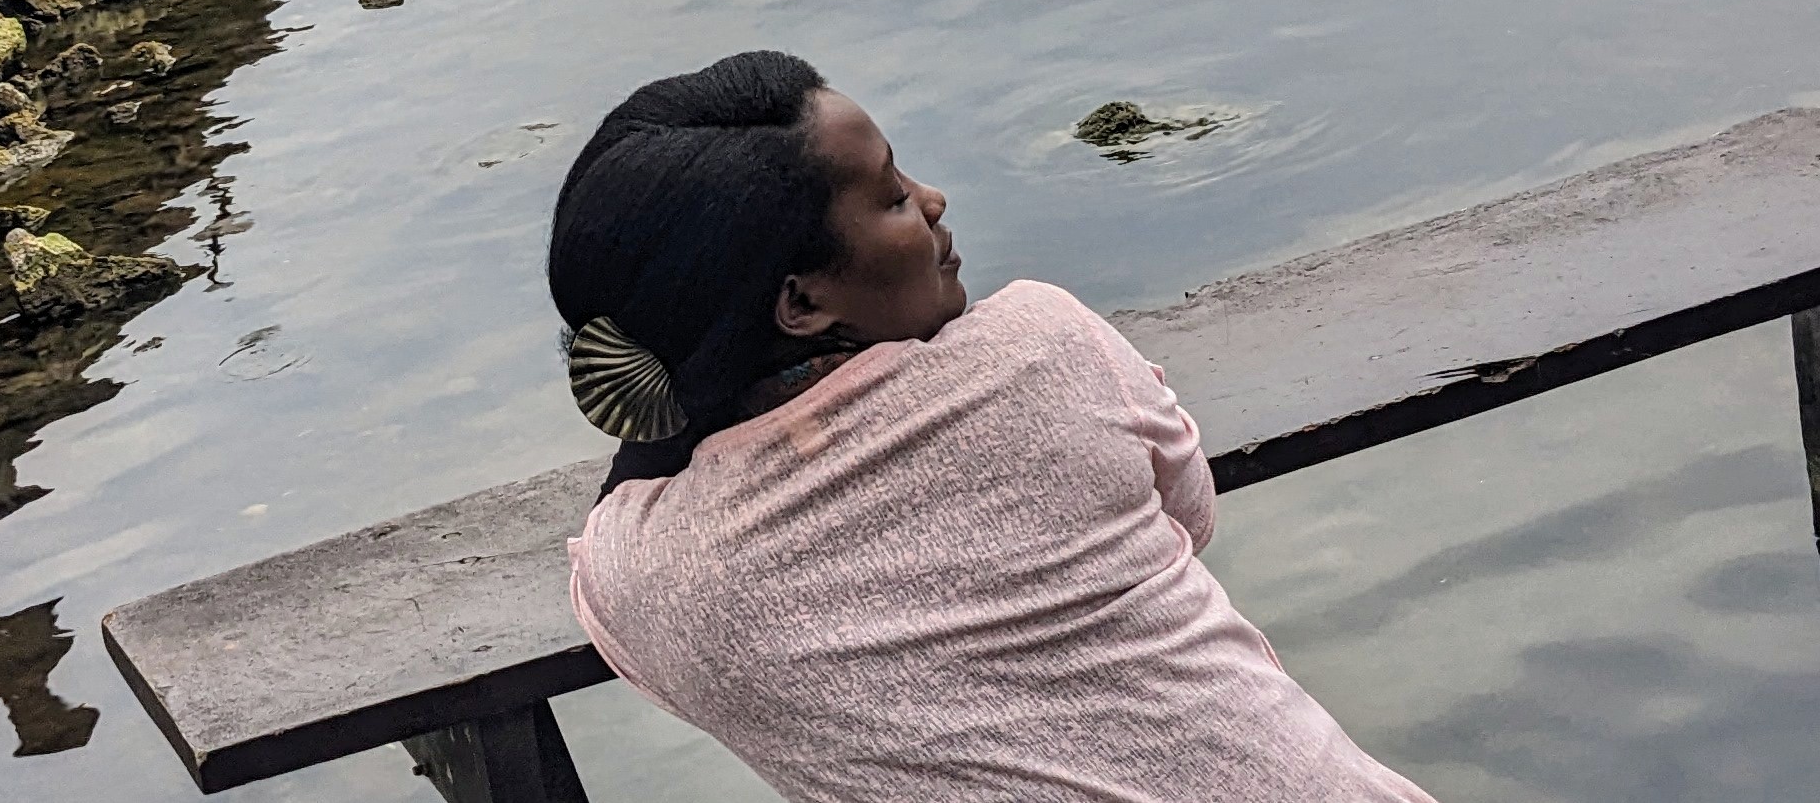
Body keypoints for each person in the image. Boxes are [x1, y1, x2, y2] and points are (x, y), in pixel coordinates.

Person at [552, 49, 1434, 803]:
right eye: (894, 198)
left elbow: (627, 501)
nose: (934, 201)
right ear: (801, 300)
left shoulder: (651, 570)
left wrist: (676, 400)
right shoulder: (1042, 343)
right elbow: (1189, 518)